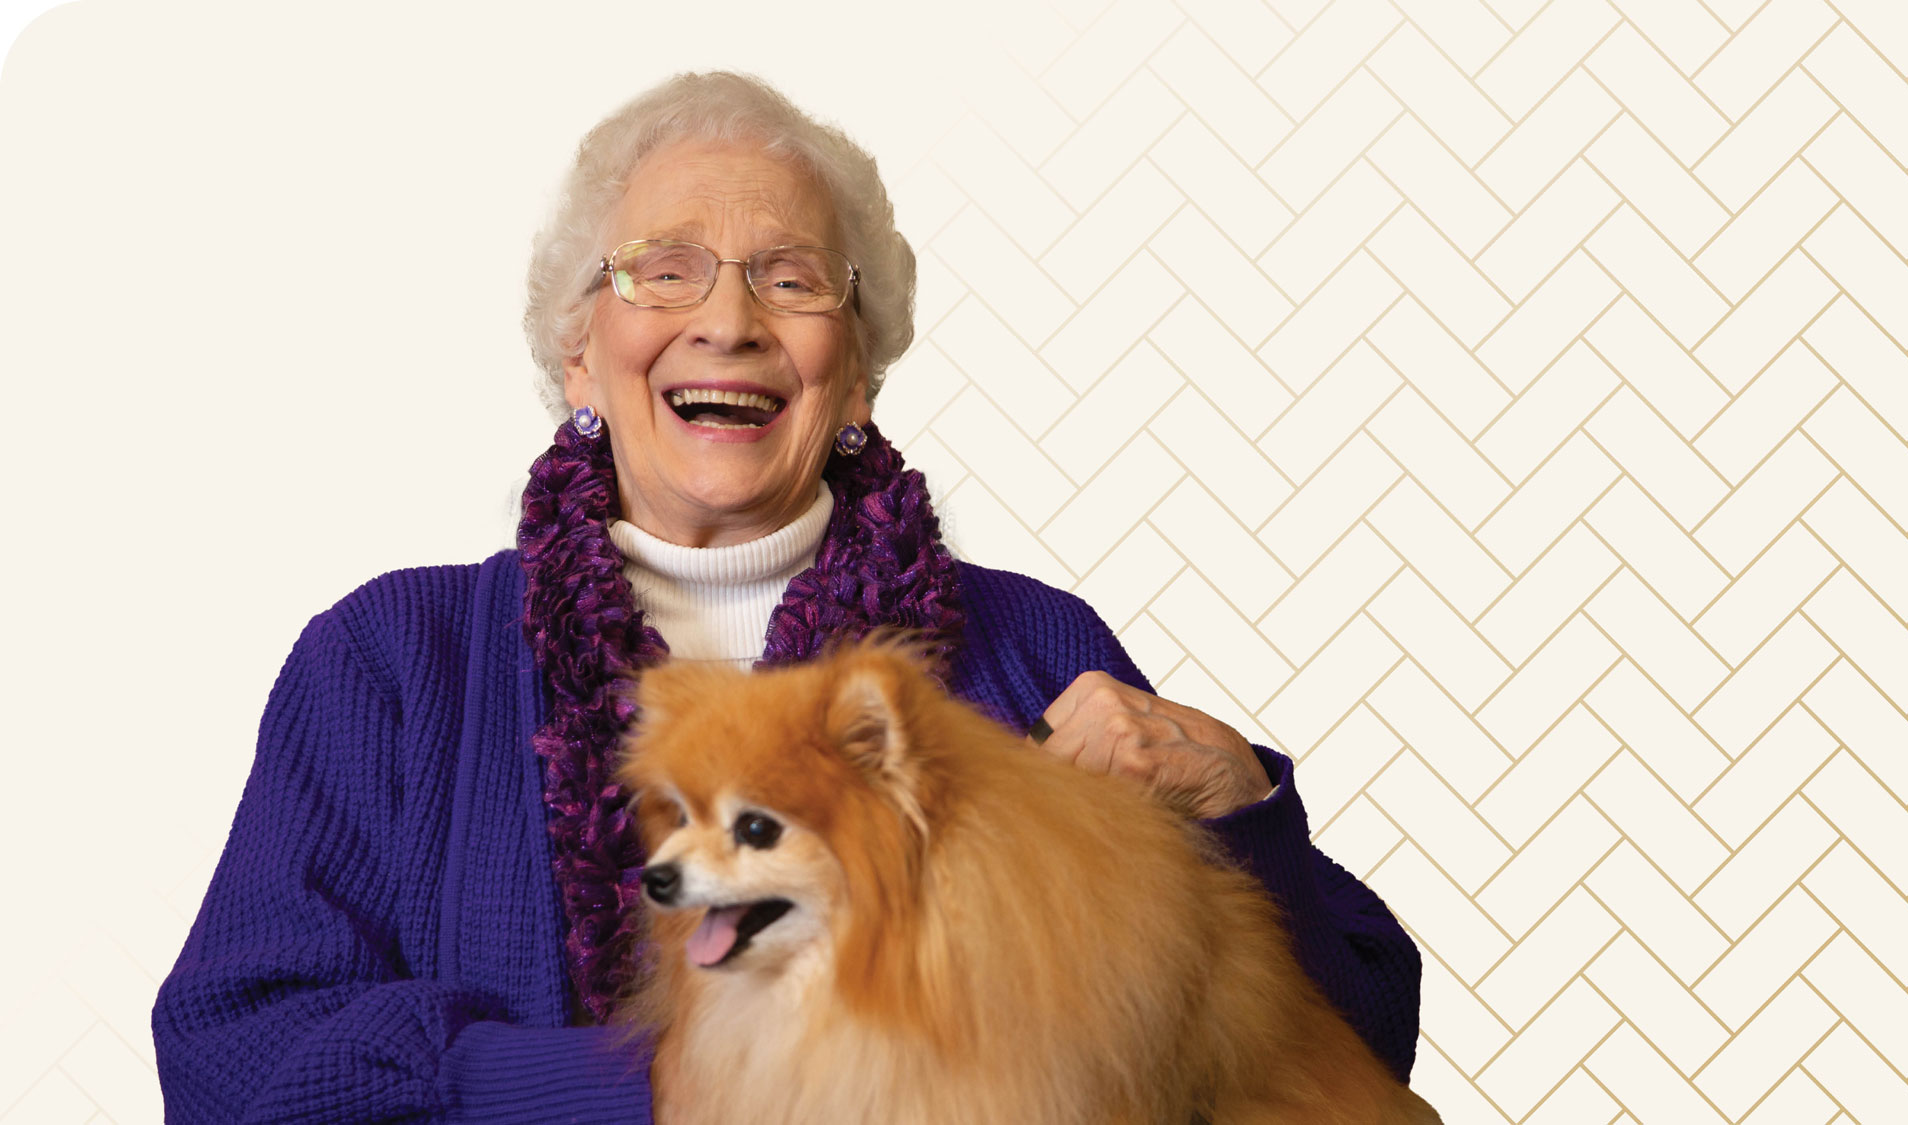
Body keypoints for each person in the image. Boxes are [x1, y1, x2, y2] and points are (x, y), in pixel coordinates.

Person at [152, 71, 1421, 1123]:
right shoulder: (394, 662)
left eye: (791, 279)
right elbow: (235, 1059)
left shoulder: (1029, 645)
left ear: (855, 373)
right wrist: (659, 1085)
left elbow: (1346, 1043)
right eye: (664, 270)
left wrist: (1241, 812)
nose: (729, 320)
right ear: (577, 351)